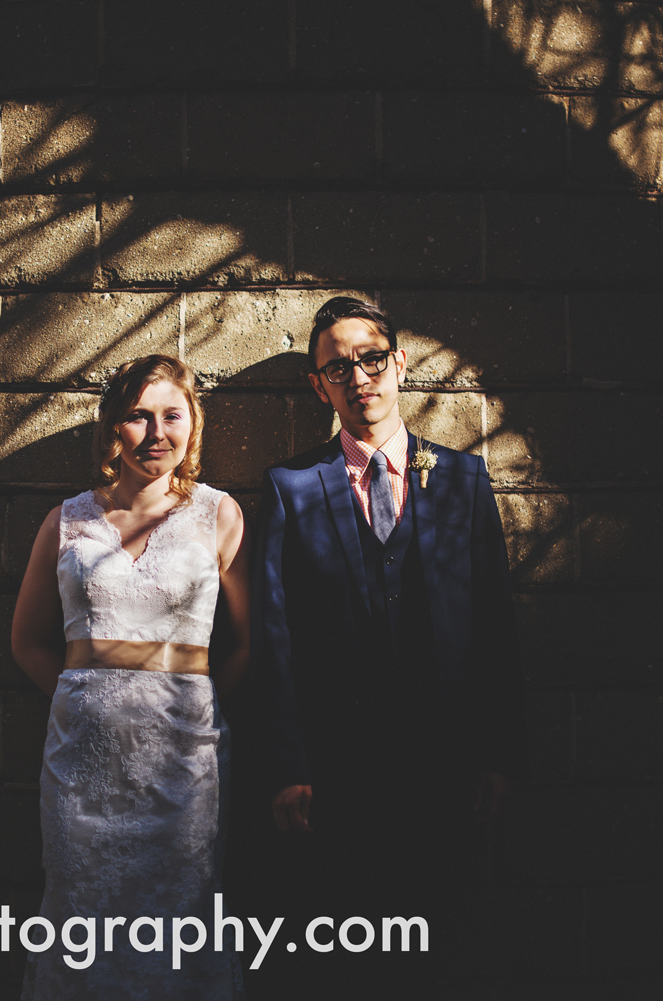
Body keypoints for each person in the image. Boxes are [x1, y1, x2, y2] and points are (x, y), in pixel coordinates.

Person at [243, 296, 520, 995]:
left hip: (446, 759)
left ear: (398, 362)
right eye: (338, 367)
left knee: (445, 941)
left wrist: (496, 751)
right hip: (338, 769)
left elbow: (494, 623)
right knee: (348, 949)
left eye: (370, 358)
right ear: (319, 385)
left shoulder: (463, 478)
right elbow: (272, 634)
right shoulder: (290, 486)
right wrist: (286, 763)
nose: (358, 376)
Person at [11, 355, 248, 999]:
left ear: (193, 425)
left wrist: (195, 708)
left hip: (184, 758)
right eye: (138, 417)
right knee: (80, 909)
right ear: (112, 427)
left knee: (182, 910)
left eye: (173, 415)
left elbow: (247, 642)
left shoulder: (219, 514)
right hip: (81, 766)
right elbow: (27, 641)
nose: (157, 433)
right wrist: (81, 699)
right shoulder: (67, 521)